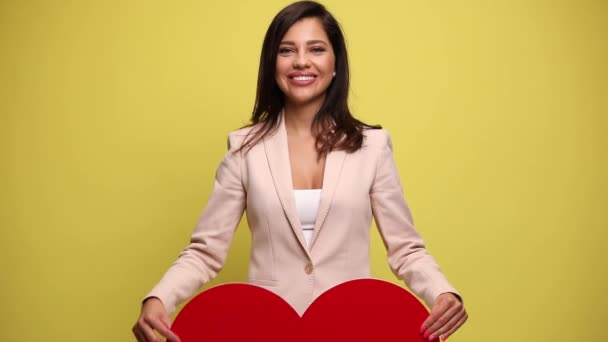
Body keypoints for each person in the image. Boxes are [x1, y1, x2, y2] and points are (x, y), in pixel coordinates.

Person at [132, 1, 468, 341]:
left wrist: (442, 292)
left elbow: (406, 248)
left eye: (316, 49)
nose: (301, 61)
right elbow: (205, 251)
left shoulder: (373, 147)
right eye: (287, 50)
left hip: (352, 326)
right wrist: (159, 297)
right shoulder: (244, 149)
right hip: (269, 329)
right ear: (272, 64)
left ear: (335, 62)